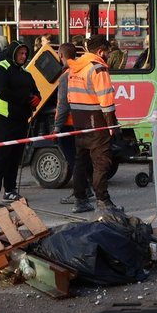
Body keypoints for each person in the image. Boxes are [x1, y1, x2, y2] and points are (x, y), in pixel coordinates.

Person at [66, 35, 119, 215]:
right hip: (97, 121)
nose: (108, 55)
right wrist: (111, 125)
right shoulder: (98, 69)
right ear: (100, 51)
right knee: (101, 162)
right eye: (108, 52)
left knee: (81, 161)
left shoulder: (75, 68)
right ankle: (103, 200)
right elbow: (106, 100)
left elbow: (69, 97)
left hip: (79, 121)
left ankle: (80, 200)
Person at [0, 40, 41, 208]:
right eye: (20, 54)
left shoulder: (24, 73)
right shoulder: (0, 69)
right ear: (12, 53)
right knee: (1, 157)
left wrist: (37, 99)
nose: (23, 57)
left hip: (21, 119)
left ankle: (9, 190)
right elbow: (2, 92)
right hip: (2, 119)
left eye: (25, 54)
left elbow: (35, 90)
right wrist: (26, 99)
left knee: (15, 157)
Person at [53, 43, 94, 205]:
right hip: (81, 122)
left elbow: (63, 104)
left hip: (68, 125)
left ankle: (81, 193)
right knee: (81, 158)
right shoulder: (81, 72)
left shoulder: (65, 76)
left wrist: (57, 127)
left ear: (61, 56)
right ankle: (86, 188)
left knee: (74, 160)